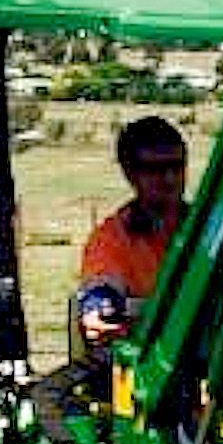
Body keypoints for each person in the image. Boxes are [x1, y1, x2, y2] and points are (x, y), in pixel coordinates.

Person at [77, 116, 190, 344]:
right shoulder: (113, 237)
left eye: (175, 166)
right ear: (130, 174)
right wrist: (98, 307)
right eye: (155, 169)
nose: (169, 178)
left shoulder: (210, 228)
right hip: (144, 363)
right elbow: (102, 282)